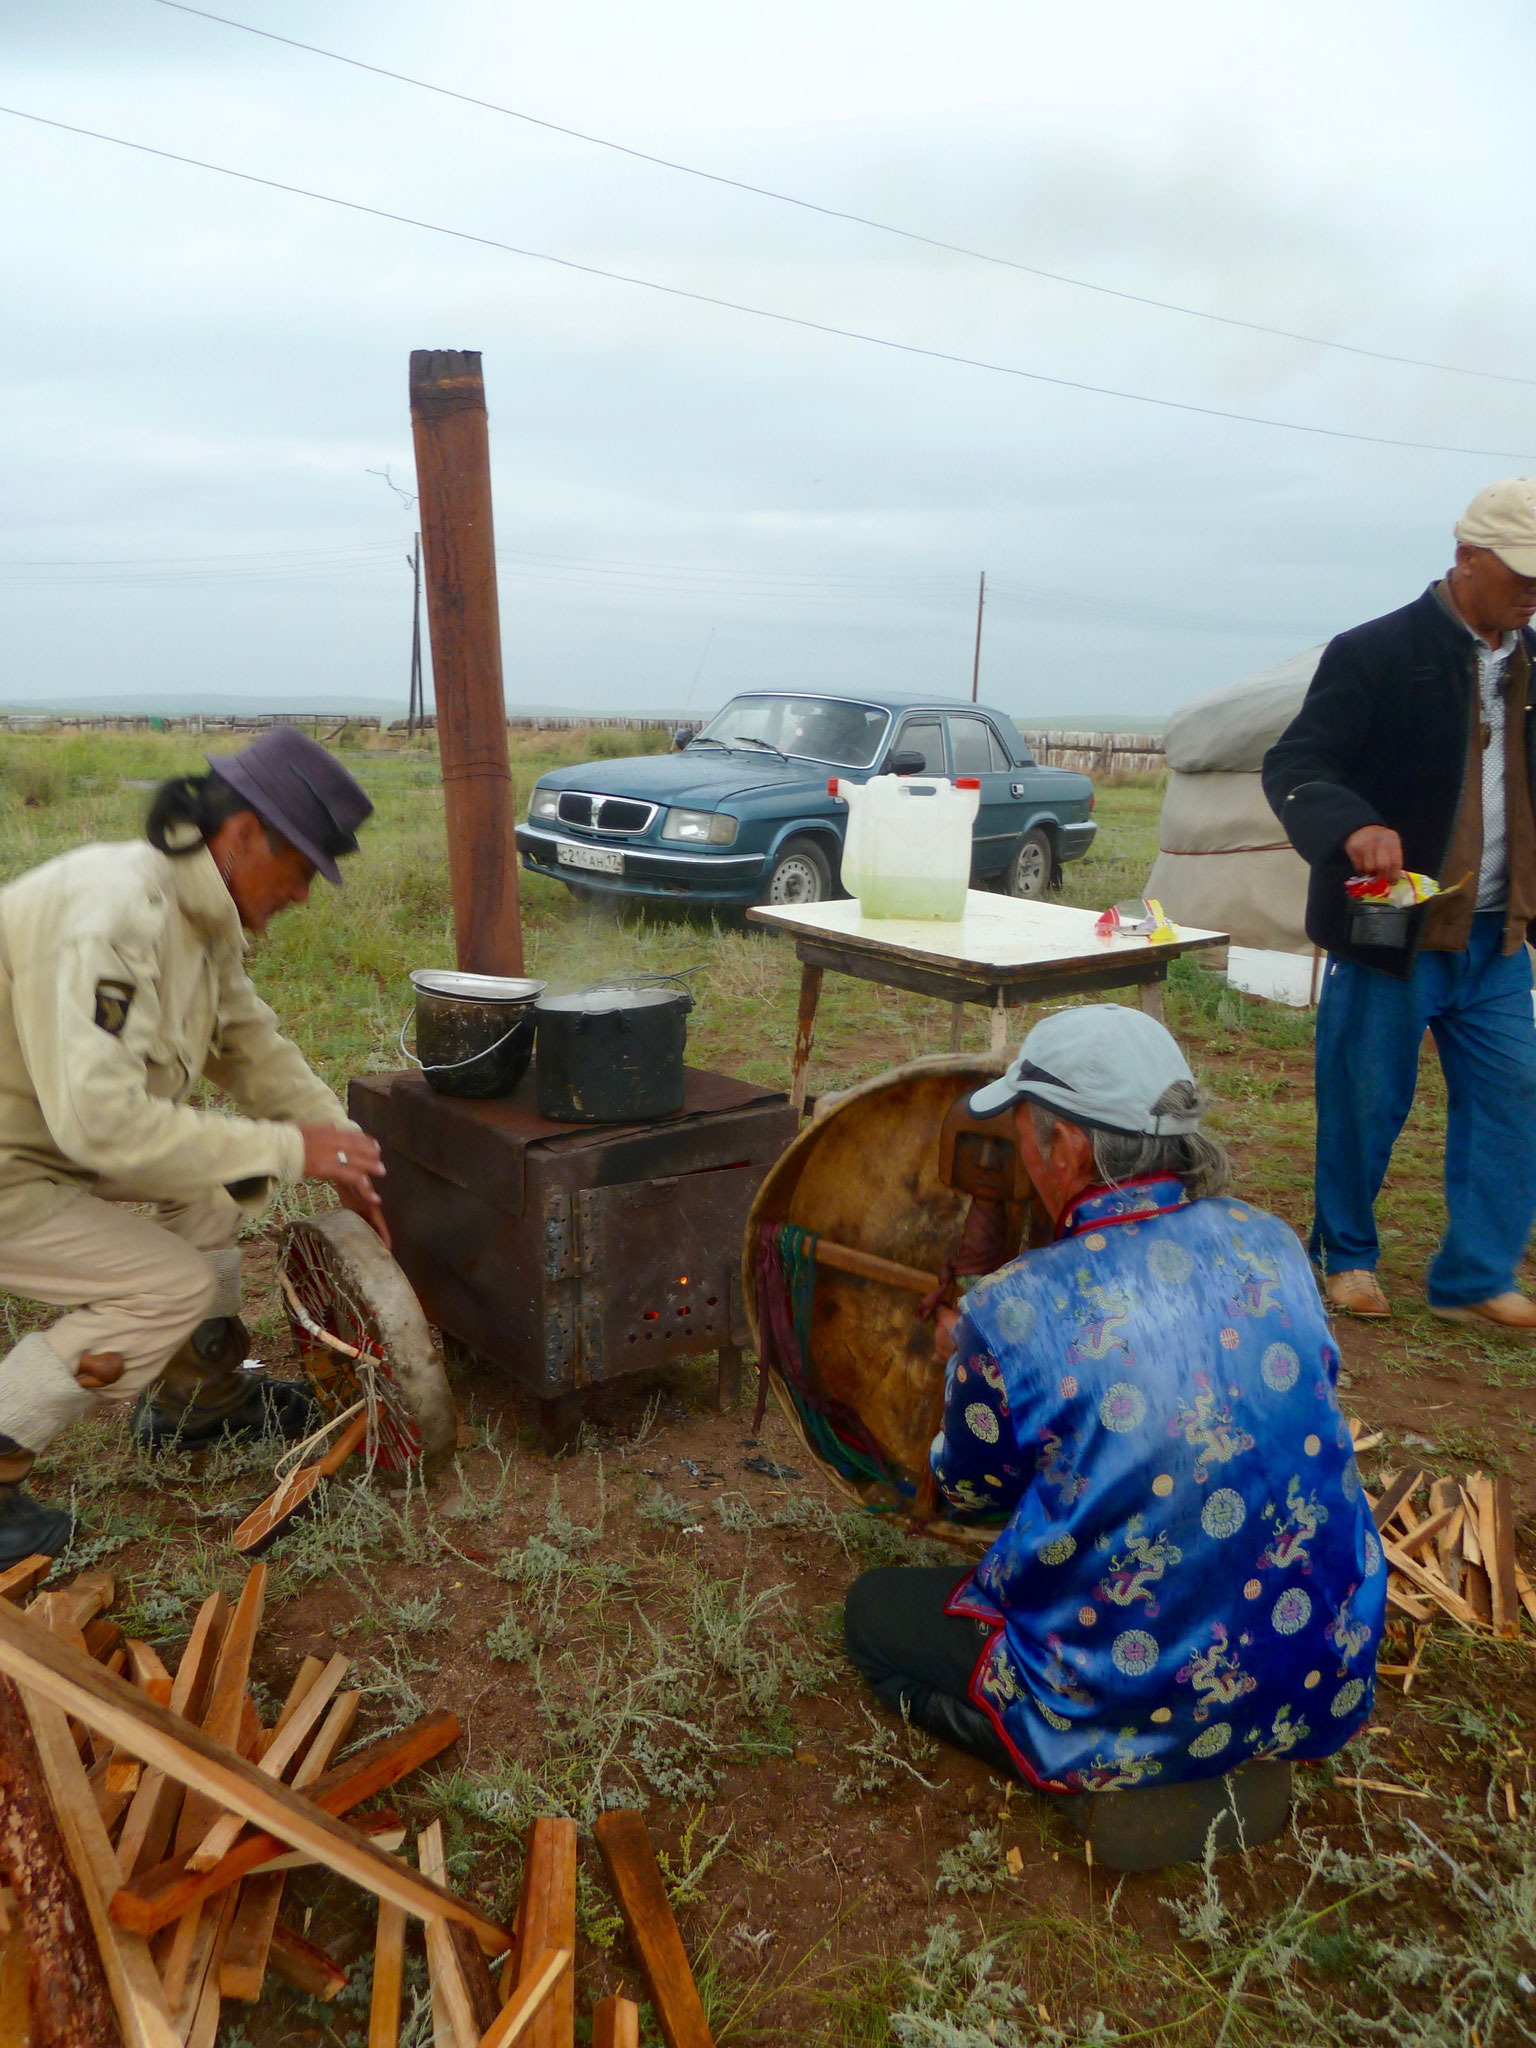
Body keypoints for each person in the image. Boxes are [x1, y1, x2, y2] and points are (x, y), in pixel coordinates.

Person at [843, 1005, 1384, 1799]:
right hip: (1317, 1668)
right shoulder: (1273, 1242)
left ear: (1062, 1145)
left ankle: (1106, 1767)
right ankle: (1226, 1742)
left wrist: (969, 1367)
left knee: (874, 1616)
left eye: (1023, 1131)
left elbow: (971, 1492)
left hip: (1121, 1685)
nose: (1019, 1151)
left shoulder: (1010, 1311)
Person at [0, 725, 389, 1564]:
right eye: (300, 869)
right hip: (15, 1164)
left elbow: (250, 1046)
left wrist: (344, 1147)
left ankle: (193, 1403)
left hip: (45, 1139)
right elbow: (101, 1123)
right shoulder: (113, 916)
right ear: (242, 834)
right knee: (165, 1287)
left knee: (206, 1199)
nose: (303, 896)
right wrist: (290, 1153)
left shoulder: (200, 917)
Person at [1263, 479, 1536, 1328]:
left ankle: (1475, 1275)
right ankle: (1345, 1256)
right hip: (1397, 927)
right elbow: (1298, 765)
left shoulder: (1531, 668)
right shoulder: (1376, 652)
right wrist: (1355, 826)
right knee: (1365, 1095)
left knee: (1514, 1092)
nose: (1534, 595)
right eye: (1522, 576)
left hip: (1497, 935)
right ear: (1466, 559)